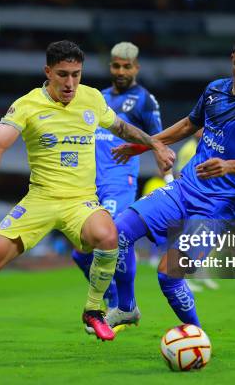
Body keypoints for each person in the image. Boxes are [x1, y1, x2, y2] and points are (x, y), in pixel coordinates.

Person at [0, 40, 175, 354]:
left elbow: (122, 128)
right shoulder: (27, 104)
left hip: (80, 201)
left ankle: (94, 310)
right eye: (63, 75)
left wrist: (156, 145)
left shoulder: (90, 98)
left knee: (108, 235)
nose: (70, 83)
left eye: (76, 74)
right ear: (48, 72)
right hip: (41, 199)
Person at [108, 31, 235, 328]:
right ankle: (126, 307)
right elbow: (187, 125)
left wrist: (229, 166)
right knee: (118, 232)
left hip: (217, 207)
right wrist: (145, 144)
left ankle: (196, 336)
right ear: (232, 58)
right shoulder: (215, 90)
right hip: (183, 189)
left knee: (169, 274)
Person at [70, 42, 172, 312]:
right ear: (110, 66)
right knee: (79, 254)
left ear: (136, 67)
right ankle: (114, 296)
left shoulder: (145, 100)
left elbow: (158, 140)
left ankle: (124, 303)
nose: (121, 71)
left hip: (120, 183)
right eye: (116, 65)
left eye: (127, 66)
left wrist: (169, 179)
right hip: (89, 185)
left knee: (114, 236)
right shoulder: (98, 97)